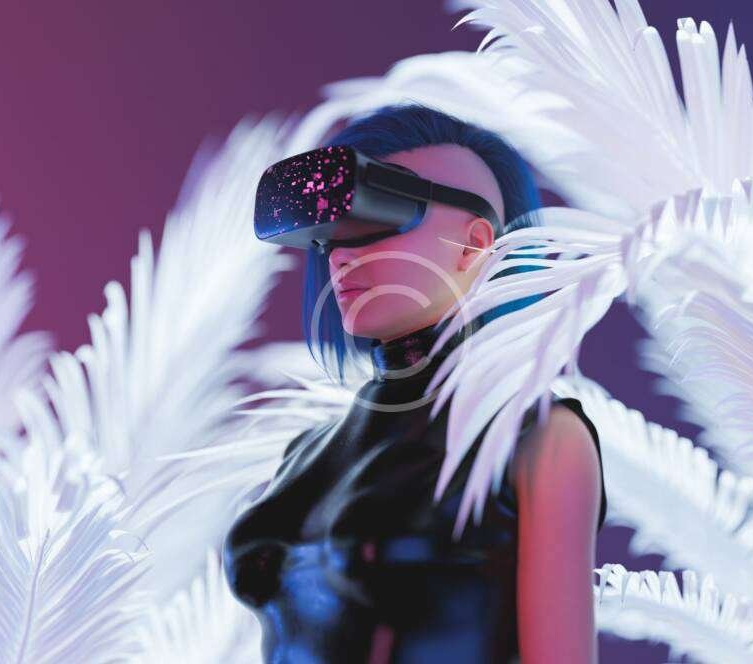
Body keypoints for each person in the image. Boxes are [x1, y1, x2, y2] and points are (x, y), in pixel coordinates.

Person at [223, 103, 608, 663]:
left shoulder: (539, 436)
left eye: (375, 221)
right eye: (330, 237)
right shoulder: (304, 453)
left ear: (474, 245)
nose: (341, 256)